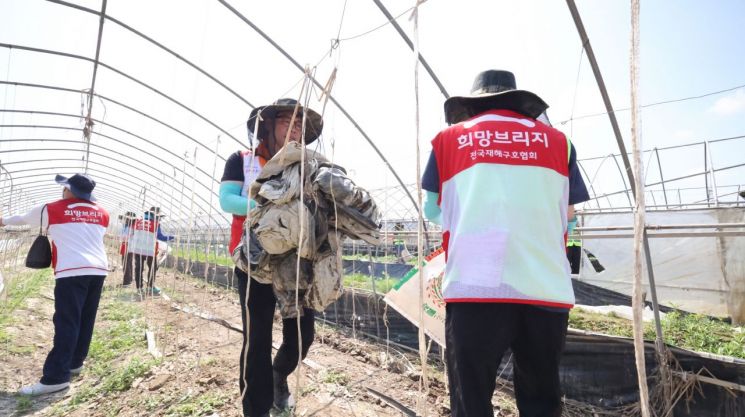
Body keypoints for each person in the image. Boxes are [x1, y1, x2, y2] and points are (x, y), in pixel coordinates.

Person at [421, 70, 590, 417]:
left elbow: (432, 209)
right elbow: (570, 214)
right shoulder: (560, 143)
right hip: (546, 289)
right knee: (541, 398)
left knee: (472, 400)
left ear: (472, 105)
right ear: (519, 104)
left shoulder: (448, 140)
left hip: (476, 287)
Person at [220, 98, 323, 417]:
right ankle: (256, 408)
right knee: (257, 337)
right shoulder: (243, 160)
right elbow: (228, 200)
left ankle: (279, 375)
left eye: (299, 125)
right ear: (266, 126)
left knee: (302, 335)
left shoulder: (308, 166)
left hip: (296, 262)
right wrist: (273, 207)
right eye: (287, 122)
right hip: (254, 261)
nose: (295, 129)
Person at [1, 174, 109, 396]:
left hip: (72, 270)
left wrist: (2, 221)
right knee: (85, 318)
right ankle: (75, 362)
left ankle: (55, 377)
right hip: (98, 270)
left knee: (67, 321)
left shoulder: (51, 209)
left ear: (69, 190)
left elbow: (21, 219)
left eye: (64, 187)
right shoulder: (102, 212)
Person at [127, 206, 173, 296]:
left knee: (138, 269)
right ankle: (150, 287)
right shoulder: (156, 224)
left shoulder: (137, 221)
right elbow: (161, 237)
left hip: (137, 250)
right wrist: (172, 237)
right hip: (149, 250)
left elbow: (131, 234)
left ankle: (139, 288)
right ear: (155, 216)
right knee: (153, 267)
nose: (159, 219)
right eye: (159, 217)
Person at [118, 211, 137, 286]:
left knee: (126, 263)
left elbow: (125, 236)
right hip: (126, 245)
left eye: (127, 218)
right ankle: (129, 279)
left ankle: (126, 282)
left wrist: (121, 238)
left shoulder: (131, 227)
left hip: (128, 246)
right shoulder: (126, 226)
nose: (125, 219)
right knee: (128, 263)